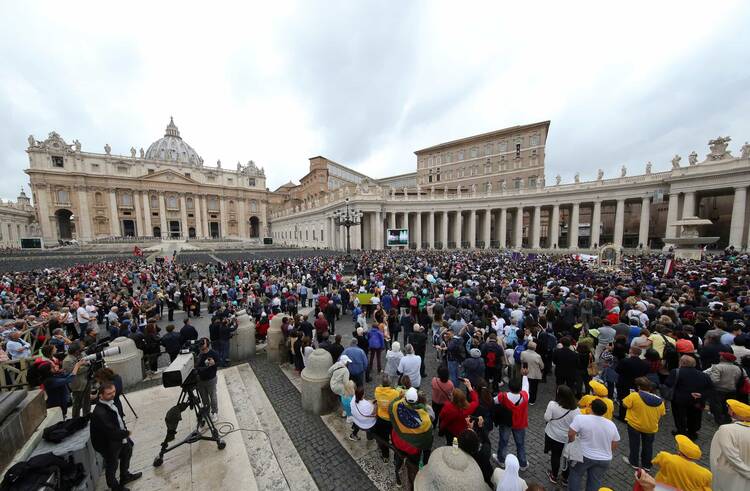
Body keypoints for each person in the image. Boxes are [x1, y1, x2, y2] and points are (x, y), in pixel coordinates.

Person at [90, 382, 142, 491]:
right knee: (112, 465)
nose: (113, 394)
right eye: (109, 393)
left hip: (118, 438)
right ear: (101, 396)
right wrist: (126, 433)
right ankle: (115, 487)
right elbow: (111, 431)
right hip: (108, 444)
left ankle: (125, 476)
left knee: (127, 452)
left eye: (114, 391)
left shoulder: (110, 403)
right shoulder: (100, 412)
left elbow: (118, 419)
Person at [567, 399, 620, 491]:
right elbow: (615, 443)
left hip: (583, 455)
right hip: (604, 459)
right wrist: (606, 451)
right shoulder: (611, 424)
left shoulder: (581, 418)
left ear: (591, 407)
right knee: (595, 481)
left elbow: (571, 434)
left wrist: (573, 443)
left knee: (575, 474)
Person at [388, 387, 432, 488]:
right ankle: (412, 483)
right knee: (413, 465)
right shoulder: (424, 419)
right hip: (412, 449)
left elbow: (391, 406)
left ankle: (397, 472)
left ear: (406, 399)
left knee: (398, 458)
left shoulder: (396, 406)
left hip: (398, 442)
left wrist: (399, 397)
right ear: (417, 401)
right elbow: (427, 439)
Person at [622, 377, 666, 470]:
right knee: (648, 446)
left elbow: (625, 404)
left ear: (638, 387)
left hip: (635, 425)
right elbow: (662, 413)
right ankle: (647, 465)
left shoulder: (634, 396)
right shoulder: (660, 401)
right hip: (650, 427)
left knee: (634, 444)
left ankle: (633, 462)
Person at [665, 355, 713, 440]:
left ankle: (681, 431)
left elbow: (669, 383)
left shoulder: (676, 372)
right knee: (695, 416)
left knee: (679, 416)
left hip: (679, 399)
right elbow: (710, 388)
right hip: (696, 400)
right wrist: (701, 395)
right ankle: (692, 432)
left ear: (682, 362)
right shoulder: (703, 375)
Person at [709, 399, 750, 490]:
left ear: (732, 412)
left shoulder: (726, 429)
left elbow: (730, 456)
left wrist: (747, 472)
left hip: (728, 475)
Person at [543, 384, 579, 485]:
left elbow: (546, 418)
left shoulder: (552, 405)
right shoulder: (576, 410)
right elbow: (577, 424)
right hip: (567, 438)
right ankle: (565, 478)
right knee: (566, 458)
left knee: (555, 456)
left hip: (553, 435)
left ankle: (554, 476)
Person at [494, 373, 530, 471]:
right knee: (520, 444)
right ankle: (523, 463)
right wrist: (525, 375)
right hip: (519, 424)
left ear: (509, 387)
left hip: (506, 423)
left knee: (503, 441)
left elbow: (494, 401)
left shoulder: (503, 396)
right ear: (520, 388)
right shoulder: (525, 396)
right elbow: (526, 387)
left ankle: (501, 459)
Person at [705, 351, 743, 425]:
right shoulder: (737, 368)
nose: (720, 356)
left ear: (724, 358)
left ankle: (719, 421)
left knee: (717, 405)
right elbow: (738, 379)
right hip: (732, 389)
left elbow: (714, 380)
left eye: (721, 356)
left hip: (719, 390)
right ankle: (727, 418)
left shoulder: (717, 367)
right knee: (728, 406)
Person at [615, 346, 649, 421]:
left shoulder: (625, 361)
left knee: (623, 399)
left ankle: (622, 416)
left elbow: (617, 370)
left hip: (624, 383)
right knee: (635, 399)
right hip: (637, 384)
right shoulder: (644, 363)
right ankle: (633, 414)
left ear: (631, 352)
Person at [373, 376, 401, 462]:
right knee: (394, 439)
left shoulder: (377, 390)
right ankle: (397, 455)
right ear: (390, 384)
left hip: (381, 418)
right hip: (392, 420)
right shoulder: (395, 393)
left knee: (384, 439)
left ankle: (385, 456)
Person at [62, 342, 91, 418]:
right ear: (76, 351)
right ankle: (75, 419)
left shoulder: (82, 355)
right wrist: (87, 366)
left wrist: (84, 365)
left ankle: (87, 416)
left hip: (86, 380)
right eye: (80, 350)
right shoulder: (67, 361)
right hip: (78, 384)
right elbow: (75, 371)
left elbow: (88, 362)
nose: (82, 350)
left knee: (87, 401)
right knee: (77, 403)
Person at [195, 338, 219, 421]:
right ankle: (206, 412)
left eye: (203, 343)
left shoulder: (213, 353)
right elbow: (196, 366)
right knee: (204, 399)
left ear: (207, 344)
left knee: (213, 397)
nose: (201, 344)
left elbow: (220, 362)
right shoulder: (198, 355)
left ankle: (214, 412)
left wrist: (214, 363)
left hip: (211, 379)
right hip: (200, 380)